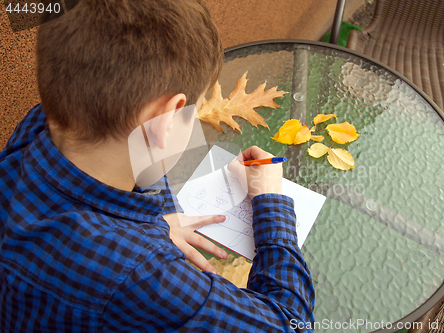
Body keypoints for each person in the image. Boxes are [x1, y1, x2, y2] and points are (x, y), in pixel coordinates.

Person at [0, 0, 315, 331]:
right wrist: (271, 202)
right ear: (166, 118)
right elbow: (290, 325)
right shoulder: (142, 273)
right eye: (193, 112)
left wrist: (155, 225)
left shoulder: (37, 127)